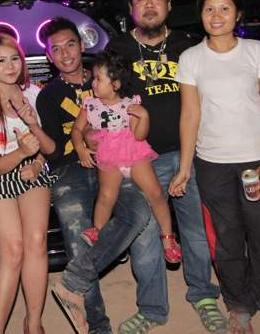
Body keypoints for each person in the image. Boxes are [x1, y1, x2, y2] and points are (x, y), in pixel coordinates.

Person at [53, 0, 223, 334]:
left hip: (187, 152)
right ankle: (152, 309)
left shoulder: (188, 46)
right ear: (131, 8)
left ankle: (204, 296)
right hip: (139, 159)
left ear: (169, 4)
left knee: (193, 229)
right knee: (143, 235)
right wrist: (89, 136)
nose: (149, 4)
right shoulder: (118, 49)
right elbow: (98, 99)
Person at [173, 0, 260, 333]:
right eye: (209, 9)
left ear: (238, 14)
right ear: (200, 15)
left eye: (224, 9)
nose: (216, 16)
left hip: (256, 160)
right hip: (212, 163)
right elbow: (190, 115)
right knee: (226, 239)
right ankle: (239, 305)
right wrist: (184, 168)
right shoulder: (190, 58)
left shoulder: (257, 52)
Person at [36, 17, 150, 334]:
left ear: (82, 45)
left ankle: (73, 280)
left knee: (139, 212)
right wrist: (81, 142)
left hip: (115, 163)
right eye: (56, 49)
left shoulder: (107, 77)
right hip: (70, 169)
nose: (65, 53)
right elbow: (54, 151)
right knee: (79, 236)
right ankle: (98, 326)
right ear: (49, 56)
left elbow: (133, 120)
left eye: (70, 44)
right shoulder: (48, 96)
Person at [0, 33, 57, 334]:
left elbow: (48, 148)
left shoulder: (34, 93)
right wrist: (22, 152)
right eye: (1, 60)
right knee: (12, 250)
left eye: (14, 59)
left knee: (36, 240)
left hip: (33, 171)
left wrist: (36, 161)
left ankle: (33, 323)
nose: (10, 66)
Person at [73, 51, 181, 263]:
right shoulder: (89, 104)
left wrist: (144, 116)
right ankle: (98, 231)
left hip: (134, 153)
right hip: (108, 156)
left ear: (115, 84)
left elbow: (139, 135)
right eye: (94, 78)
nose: (93, 83)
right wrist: (80, 148)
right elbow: (77, 129)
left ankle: (168, 238)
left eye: (98, 79)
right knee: (106, 196)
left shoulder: (131, 103)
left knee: (155, 193)